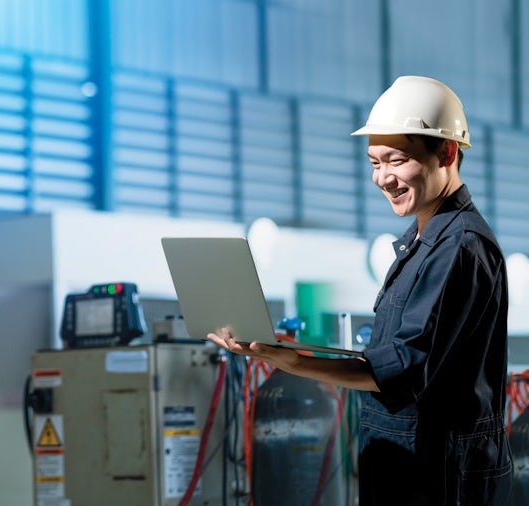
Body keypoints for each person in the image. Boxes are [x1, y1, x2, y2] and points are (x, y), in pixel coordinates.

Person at [207, 75, 512, 505]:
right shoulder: (421, 244)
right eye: (374, 163)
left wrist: (292, 360)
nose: (383, 178)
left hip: (443, 477)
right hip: (408, 466)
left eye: (396, 160)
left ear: (446, 151)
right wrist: (285, 351)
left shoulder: (459, 247)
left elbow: (399, 369)